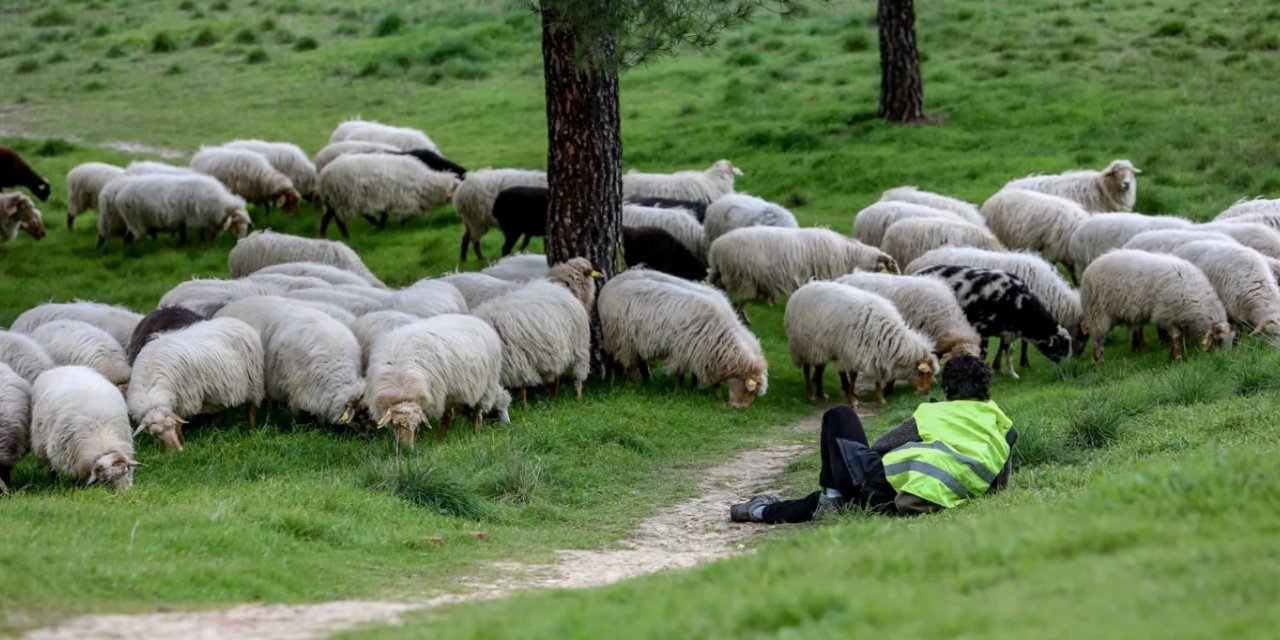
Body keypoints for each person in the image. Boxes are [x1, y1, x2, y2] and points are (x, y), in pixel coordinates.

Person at [730, 353, 1017, 523]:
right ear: (986, 389)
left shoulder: (933, 413)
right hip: (909, 500)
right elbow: (1000, 483)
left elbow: (881, 447)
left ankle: (817, 500)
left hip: (882, 487)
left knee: (840, 415)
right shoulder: (1003, 424)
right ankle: (765, 510)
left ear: (947, 390)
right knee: (843, 501)